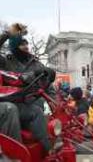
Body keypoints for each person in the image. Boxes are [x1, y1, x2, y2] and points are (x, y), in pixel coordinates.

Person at [0, 23, 54, 152]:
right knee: (10, 109)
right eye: (21, 44)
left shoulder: (36, 63)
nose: (26, 46)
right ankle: (16, 153)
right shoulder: (5, 62)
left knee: (38, 110)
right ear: (14, 47)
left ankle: (49, 149)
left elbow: (48, 88)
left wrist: (53, 101)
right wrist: (8, 34)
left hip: (31, 104)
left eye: (26, 44)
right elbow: (16, 79)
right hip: (10, 101)